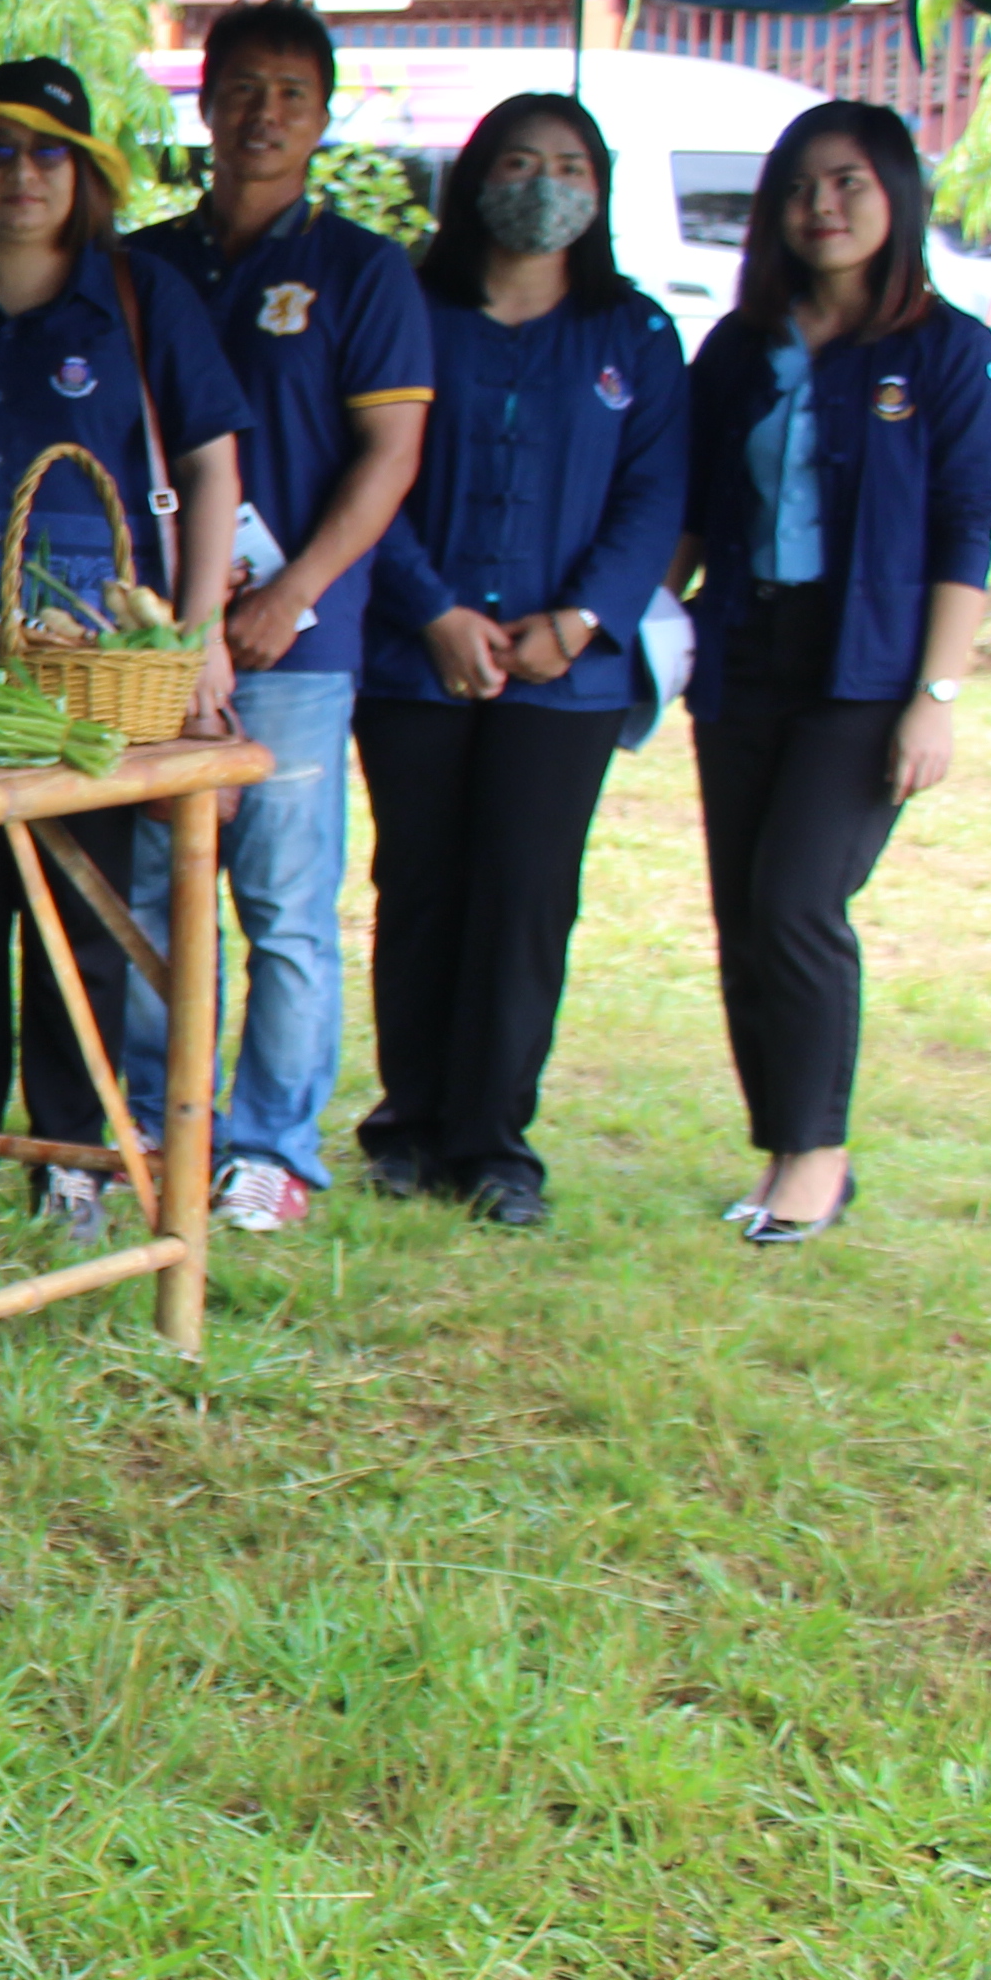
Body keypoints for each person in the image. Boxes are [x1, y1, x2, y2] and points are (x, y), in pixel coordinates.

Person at [0, 59, 246, 1235]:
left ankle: (72, 1152)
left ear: (83, 177)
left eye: (46, 155)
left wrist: (207, 636)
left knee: (85, 907)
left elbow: (210, 464)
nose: (21, 176)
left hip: (92, 657)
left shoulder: (145, 298)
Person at [118, 0, 433, 1237]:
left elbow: (391, 456)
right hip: (158, 641)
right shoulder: (143, 266)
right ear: (204, 101)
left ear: (321, 114)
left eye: (290, 95)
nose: (262, 114)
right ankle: (153, 1126)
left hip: (299, 643)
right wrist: (179, 627)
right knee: (153, 887)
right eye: (241, 87)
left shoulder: (362, 271)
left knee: (284, 907)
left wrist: (292, 596)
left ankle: (271, 1150)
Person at [350, 94, 685, 1228]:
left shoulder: (632, 335)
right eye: (519, 161)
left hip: (567, 676)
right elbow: (371, 474)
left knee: (527, 896)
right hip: (416, 658)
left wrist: (582, 620)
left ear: (600, 191)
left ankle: (495, 1145)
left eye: (571, 165)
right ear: (475, 178)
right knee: (422, 886)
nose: (544, 184)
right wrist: (433, 611)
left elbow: (655, 495)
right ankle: (406, 1125)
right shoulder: (411, 308)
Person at [675, 98, 991, 1246]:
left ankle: (818, 1156)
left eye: (850, 182)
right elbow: (694, 515)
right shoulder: (739, 348)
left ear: (897, 197)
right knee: (742, 912)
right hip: (747, 655)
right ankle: (779, 1146)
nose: (823, 207)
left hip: (866, 671)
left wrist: (938, 696)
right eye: (803, 186)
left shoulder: (948, 351)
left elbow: (967, 527)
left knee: (798, 901)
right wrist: (643, 624)